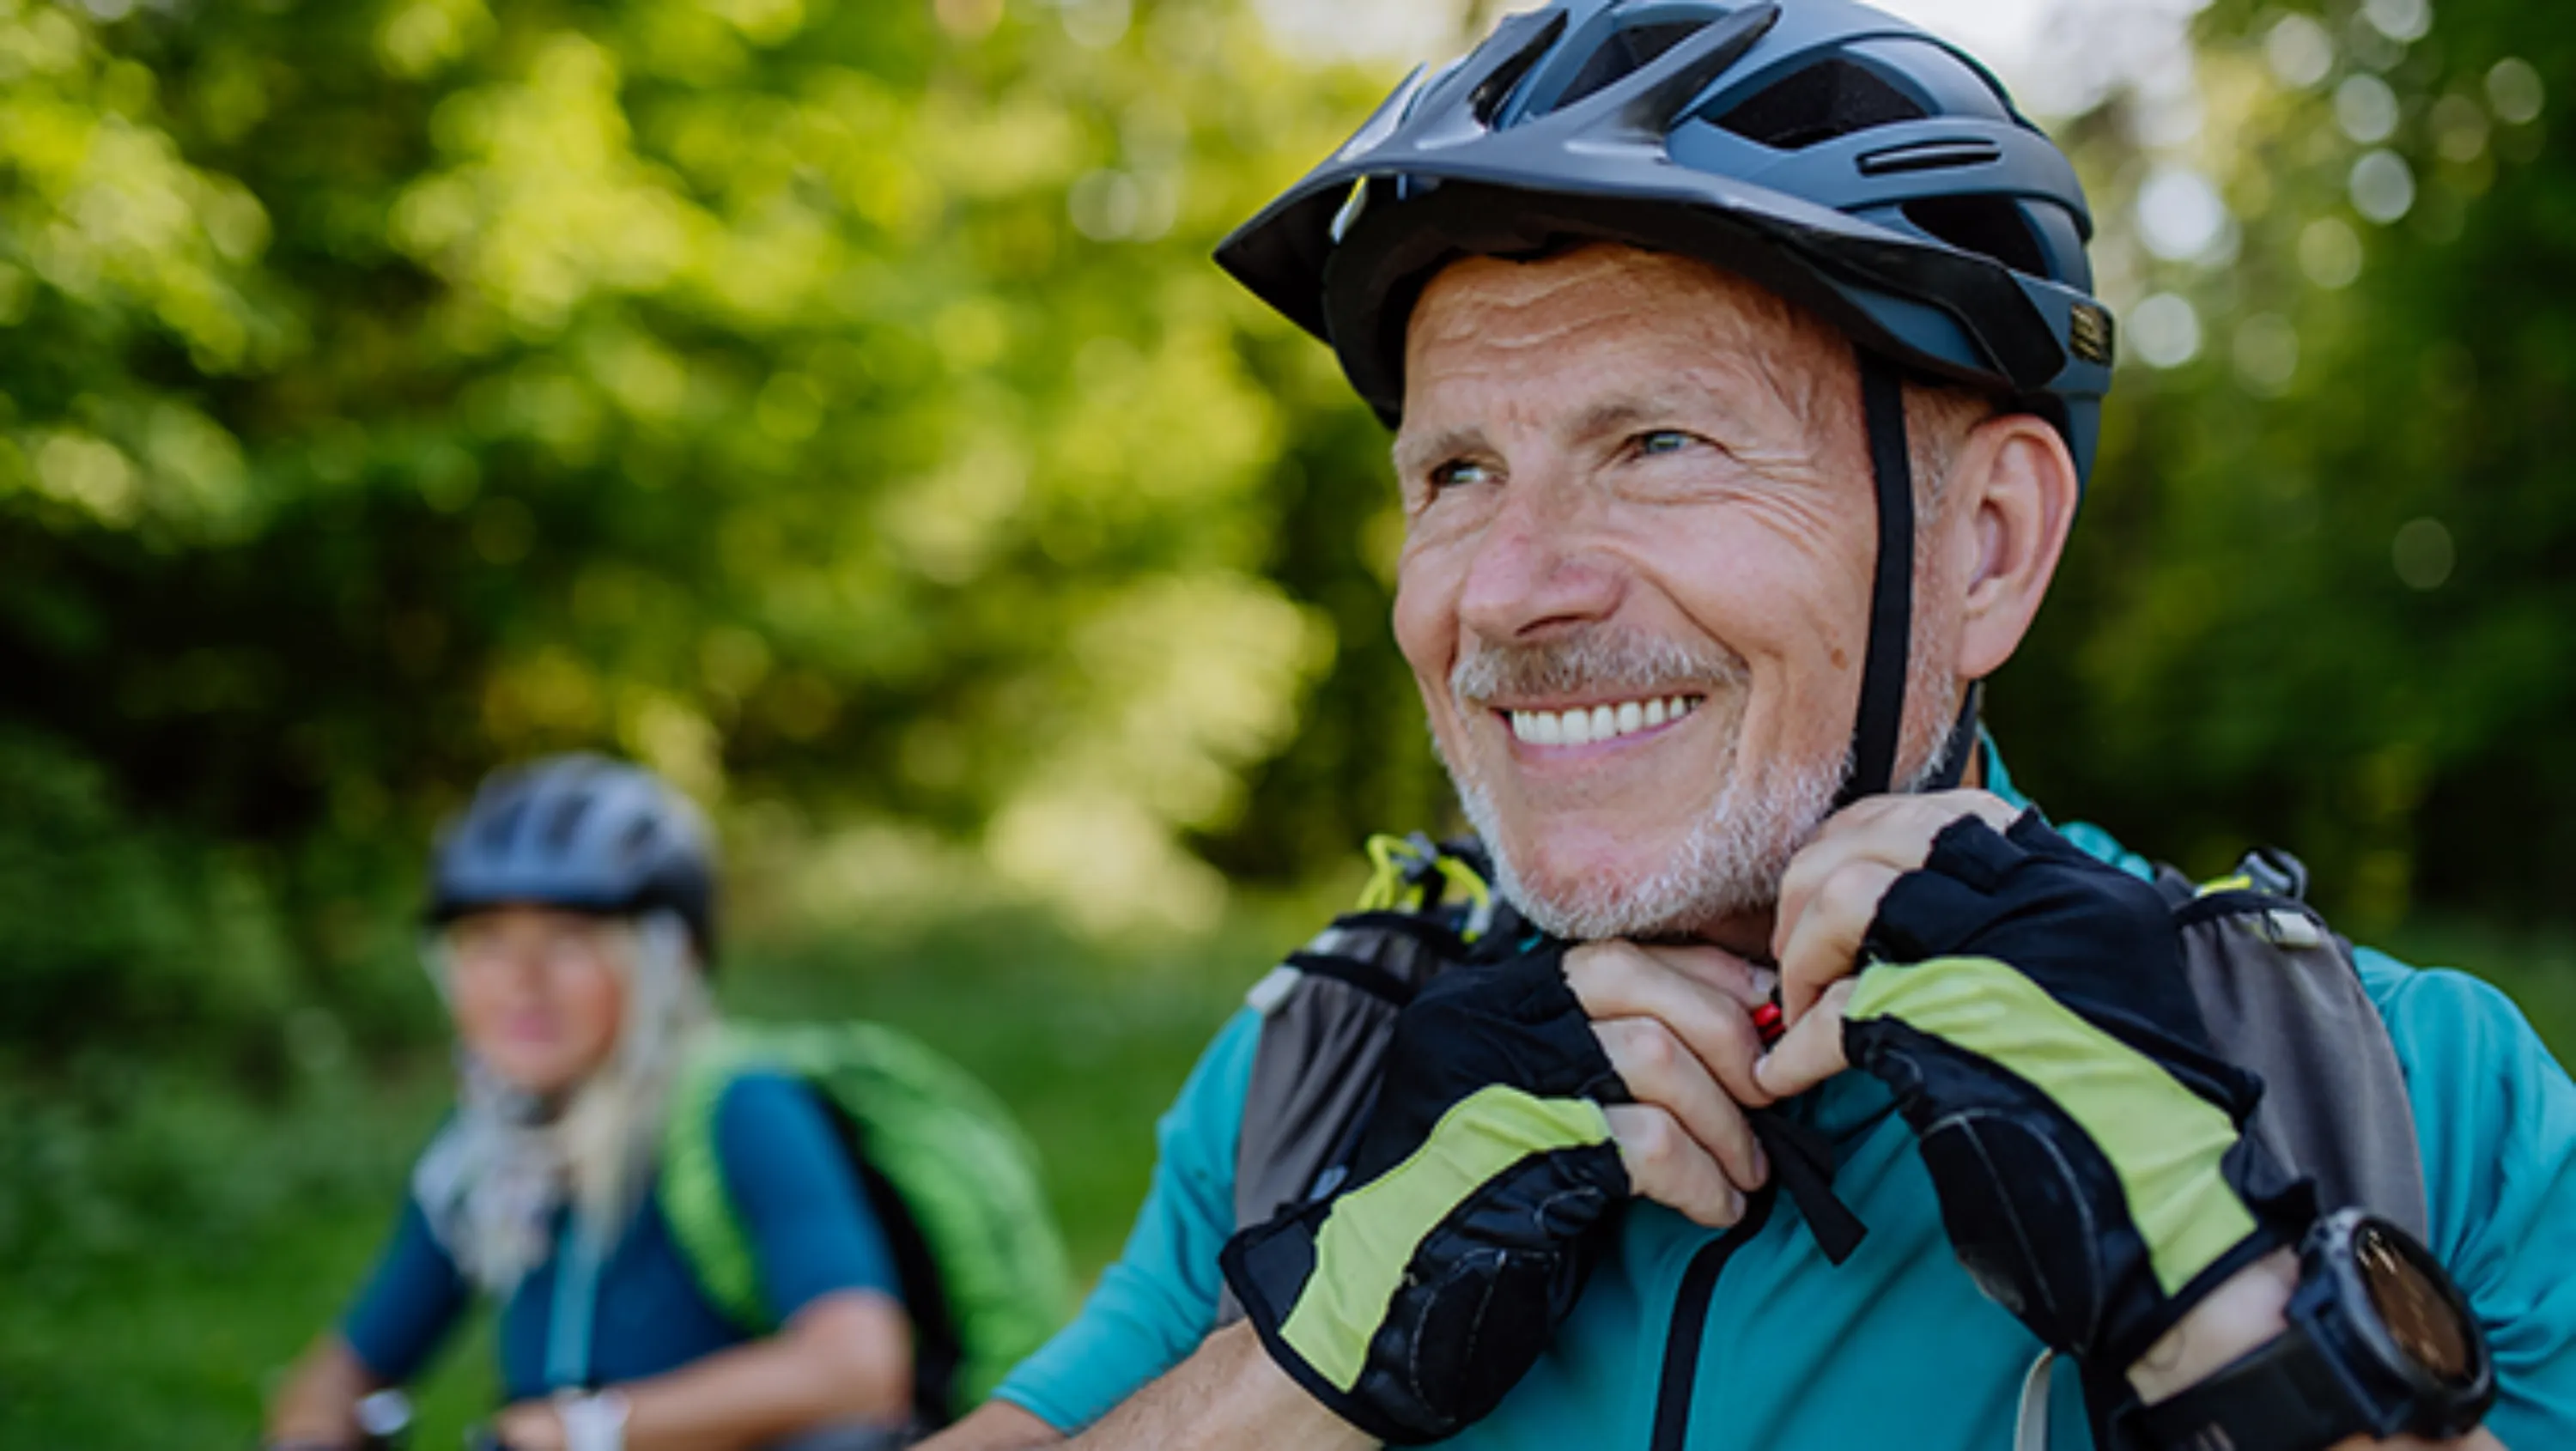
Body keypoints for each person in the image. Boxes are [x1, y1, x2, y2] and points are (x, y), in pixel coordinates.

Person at [919, 3, 2576, 1449]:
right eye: (1456, 473)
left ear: (1987, 546)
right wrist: (1310, 1349)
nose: (1503, 594)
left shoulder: (2396, 1096)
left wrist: (2223, 1304)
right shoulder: (1316, 1075)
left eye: (1657, 443)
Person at [266, 755, 916, 1451]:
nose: (521, 981)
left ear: (673, 959)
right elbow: (343, 1370)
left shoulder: (740, 1106)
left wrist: (585, 1430)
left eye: (569, 940)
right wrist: (311, 1433)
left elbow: (860, 1370)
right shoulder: (492, 1147)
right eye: (485, 941)